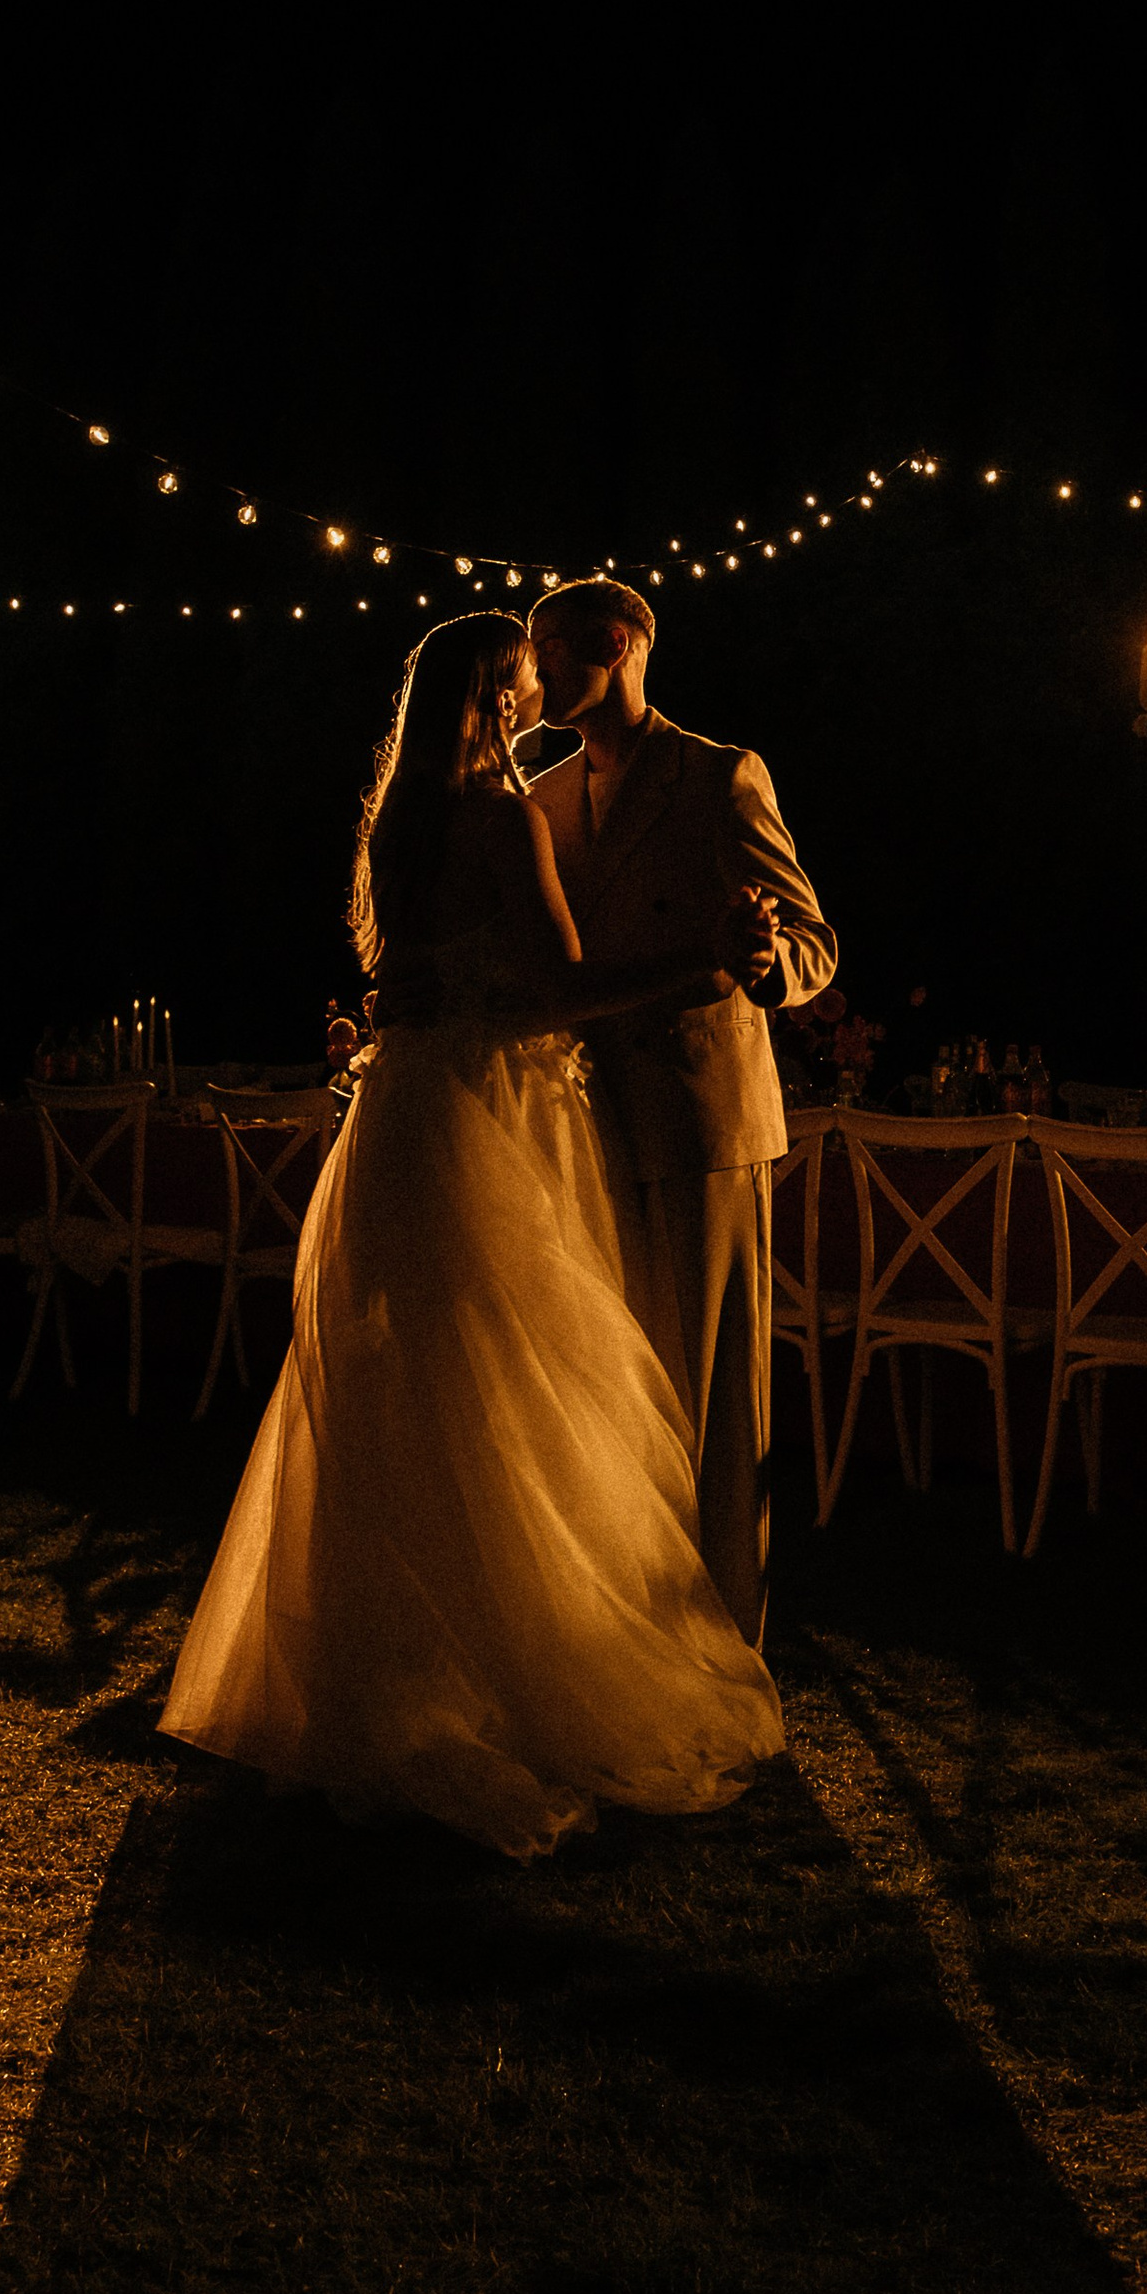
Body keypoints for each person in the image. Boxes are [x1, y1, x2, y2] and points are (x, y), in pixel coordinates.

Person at [159, 612, 785, 1862]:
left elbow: (427, 979)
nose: (538, 688)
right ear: (497, 694)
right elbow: (558, 989)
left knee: (408, 1405)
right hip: (496, 1122)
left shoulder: (397, 824)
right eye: (522, 675)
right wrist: (702, 962)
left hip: (405, 1118)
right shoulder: (505, 817)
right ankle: (529, 1671)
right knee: (526, 1394)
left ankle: (387, 1680)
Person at [525, 578, 837, 1645]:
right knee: (610, 1389)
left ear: (615, 644)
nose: (533, 675)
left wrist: (767, 964)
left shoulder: (717, 775)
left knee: (712, 1399)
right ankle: (623, 1631)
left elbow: (812, 938)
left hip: (702, 1121)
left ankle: (723, 1635)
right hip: (583, 1124)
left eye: (549, 649)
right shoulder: (542, 796)